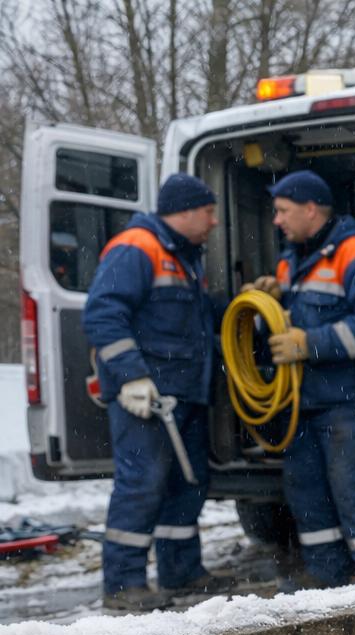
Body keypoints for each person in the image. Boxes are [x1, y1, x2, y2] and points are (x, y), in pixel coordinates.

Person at [245, 170, 355, 586]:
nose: (276, 220)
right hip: (302, 402)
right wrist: (265, 310)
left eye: (282, 211)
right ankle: (325, 577)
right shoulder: (289, 260)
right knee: (307, 496)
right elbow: (280, 332)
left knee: (354, 494)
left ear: (310, 209)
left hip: (347, 401)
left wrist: (310, 344)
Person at [84, 174, 232, 612]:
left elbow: (199, 321)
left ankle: (181, 571)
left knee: (186, 484)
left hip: (183, 392)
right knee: (142, 483)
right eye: (208, 212)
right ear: (185, 211)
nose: (214, 221)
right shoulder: (136, 247)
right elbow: (103, 314)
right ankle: (124, 582)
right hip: (146, 395)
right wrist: (131, 376)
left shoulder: (185, 257)